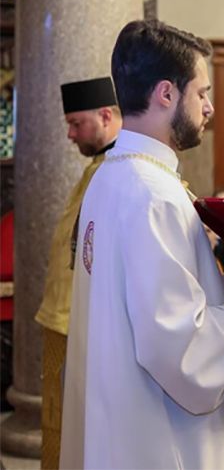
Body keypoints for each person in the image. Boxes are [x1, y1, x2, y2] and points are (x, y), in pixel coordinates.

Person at [60, 19, 224, 469]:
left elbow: (148, 307)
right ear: (166, 93)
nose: (210, 107)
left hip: (123, 422)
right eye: (201, 93)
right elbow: (179, 349)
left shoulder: (111, 176)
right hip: (161, 435)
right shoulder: (154, 194)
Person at [35, 76, 121, 469]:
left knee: (77, 425)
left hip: (84, 325)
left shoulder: (118, 171)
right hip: (64, 319)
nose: (70, 134)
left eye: (76, 123)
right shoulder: (98, 167)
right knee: (59, 418)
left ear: (105, 116)